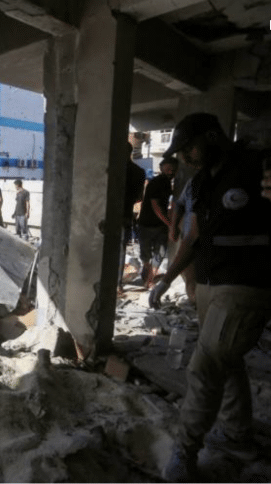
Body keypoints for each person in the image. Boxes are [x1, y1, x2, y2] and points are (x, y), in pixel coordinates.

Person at [148, 113, 271, 482]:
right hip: (208, 283)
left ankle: (185, 453)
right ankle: (237, 435)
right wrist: (166, 280)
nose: (184, 156)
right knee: (226, 362)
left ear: (213, 137)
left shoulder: (256, 166)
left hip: (247, 284)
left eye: (188, 147)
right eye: (180, 151)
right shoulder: (200, 182)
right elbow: (191, 237)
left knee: (205, 365)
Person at [137, 156, 177, 287]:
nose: (171, 172)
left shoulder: (165, 183)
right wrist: (169, 223)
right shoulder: (157, 182)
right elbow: (156, 206)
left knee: (158, 254)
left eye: (173, 169)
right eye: (168, 168)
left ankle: (149, 279)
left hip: (156, 225)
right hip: (148, 224)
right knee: (147, 254)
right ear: (161, 168)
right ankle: (148, 275)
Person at [118, 142, 146, 291]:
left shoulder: (112, 170)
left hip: (106, 216)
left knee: (101, 249)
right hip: (126, 215)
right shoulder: (139, 172)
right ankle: (117, 285)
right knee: (121, 249)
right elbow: (138, 197)